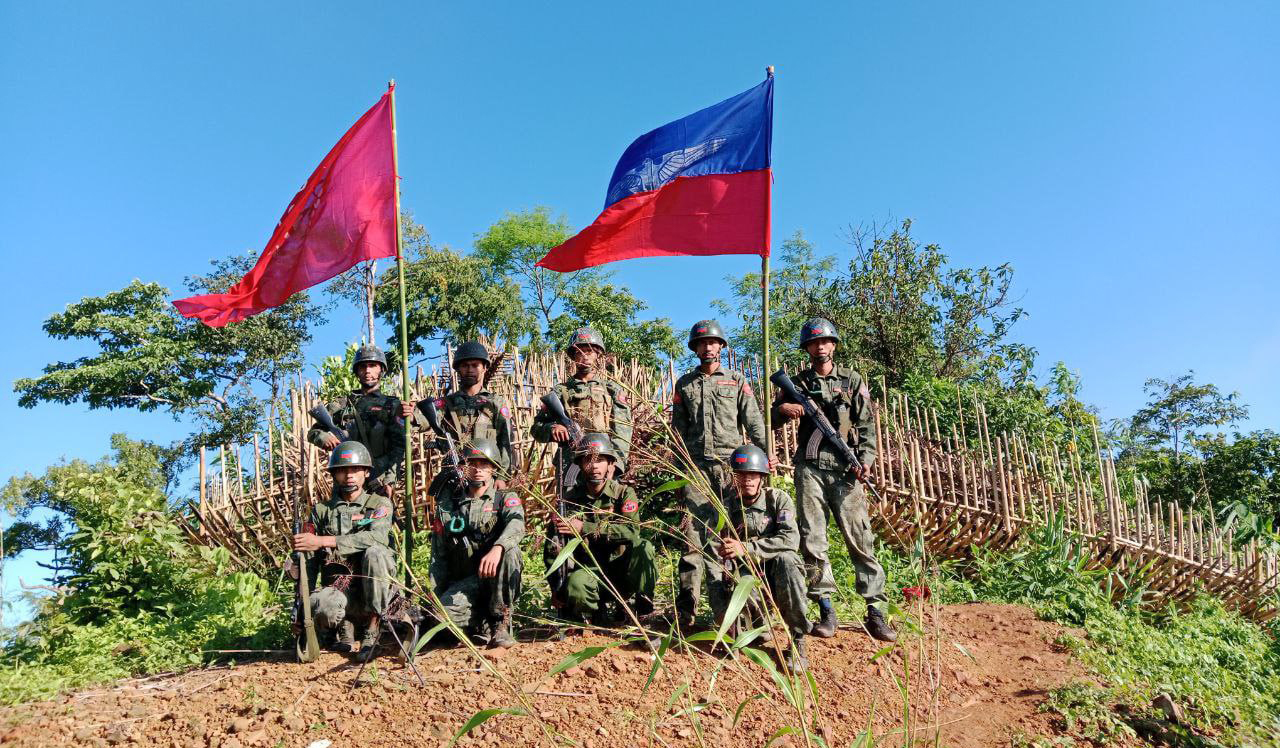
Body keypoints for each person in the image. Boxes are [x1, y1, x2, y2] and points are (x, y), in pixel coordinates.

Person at [770, 317, 895, 642]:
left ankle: (875, 611)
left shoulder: (852, 381)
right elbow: (771, 419)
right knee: (812, 539)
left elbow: (867, 428)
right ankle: (825, 608)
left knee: (860, 538)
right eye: (814, 342)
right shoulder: (797, 382)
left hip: (845, 469)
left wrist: (865, 462)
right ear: (808, 348)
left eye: (825, 341)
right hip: (810, 468)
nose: (820, 346)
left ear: (833, 345)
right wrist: (784, 409)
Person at [671, 319, 772, 629]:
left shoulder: (737, 381)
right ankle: (686, 610)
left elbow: (754, 422)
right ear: (695, 349)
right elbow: (678, 430)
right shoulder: (685, 384)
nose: (708, 347)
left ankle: (736, 608)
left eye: (713, 342)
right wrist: (678, 468)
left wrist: (766, 457)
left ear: (721, 347)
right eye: (702, 343)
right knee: (693, 539)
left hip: (733, 469)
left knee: (733, 535)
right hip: (697, 469)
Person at [710, 444, 812, 671]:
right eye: (742, 475)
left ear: (762, 477)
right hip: (746, 574)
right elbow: (716, 543)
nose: (747, 480)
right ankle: (751, 626)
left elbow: (790, 540)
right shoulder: (725, 505)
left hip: (776, 575)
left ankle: (797, 639)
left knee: (788, 561)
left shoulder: (778, 500)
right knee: (728, 577)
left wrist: (746, 548)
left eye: (753, 475)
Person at [293, 442, 400, 653]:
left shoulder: (379, 504)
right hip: (341, 592)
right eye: (343, 470)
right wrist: (300, 609)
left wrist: (325, 541)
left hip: (376, 593)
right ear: (334, 474)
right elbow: (309, 562)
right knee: (323, 606)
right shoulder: (322, 510)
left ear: (366, 473)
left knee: (376, 553)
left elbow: (378, 537)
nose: (349, 475)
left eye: (355, 470)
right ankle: (343, 627)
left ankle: (373, 629)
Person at [545, 433, 656, 624]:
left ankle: (643, 610)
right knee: (577, 585)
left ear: (611, 465)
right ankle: (594, 613)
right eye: (588, 459)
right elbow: (552, 546)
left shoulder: (623, 494)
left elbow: (631, 532)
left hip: (621, 573)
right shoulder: (568, 501)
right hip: (589, 573)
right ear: (580, 464)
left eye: (601, 460)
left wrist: (583, 527)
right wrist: (556, 588)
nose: (595, 465)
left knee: (644, 547)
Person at [427, 438, 524, 649]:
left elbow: (517, 525)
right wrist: (435, 594)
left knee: (511, 551)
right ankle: (477, 625)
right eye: (473, 464)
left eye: (484, 465)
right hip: (466, 582)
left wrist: (498, 548)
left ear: (493, 469)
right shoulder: (449, 506)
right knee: (439, 615)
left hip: (496, 581)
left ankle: (500, 623)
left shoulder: (504, 499)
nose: (478, 470)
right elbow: (439, 556)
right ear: (464, 468)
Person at [402, 341, 519, 483]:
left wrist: (502, 477)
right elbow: (427, 419)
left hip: (486, 476)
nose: (470, 369)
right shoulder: (447, 403)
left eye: (475, 365)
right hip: (455, 474)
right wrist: (413, 416)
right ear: (458, 369)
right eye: (465, 365)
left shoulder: (495, 403)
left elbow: (506, 441)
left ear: (485, 368)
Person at [530, 326, 633, 487]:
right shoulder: (560, 391)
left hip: (604, 459)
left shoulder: (612, 389)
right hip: (570, 460)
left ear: (598, 354)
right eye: (579, 352)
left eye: (589, 351)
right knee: (569, 507)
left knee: (605, 508)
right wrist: (553, 428)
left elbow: (623, 431)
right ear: (573, 356)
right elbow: (536, 428)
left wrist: (617, 463)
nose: (584, 356)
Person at [307, 344, 403, 497]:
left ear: (381, 370)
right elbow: (313, 432)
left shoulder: (391, 405)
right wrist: (323, 437)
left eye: (372, 365)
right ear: (357, 372)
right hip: (346, 480)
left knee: (379, 519)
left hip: (378, 480)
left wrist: (390, 481)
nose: (367, 371)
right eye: (363, 367)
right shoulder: (342, 404)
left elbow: (399, 447)